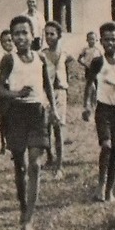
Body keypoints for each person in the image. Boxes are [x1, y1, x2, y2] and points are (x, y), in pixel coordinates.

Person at [0, 17, 55, 230]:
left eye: (24, 33)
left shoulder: (40, 58)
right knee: (20, 167)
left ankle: (29, 220)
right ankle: (23, 206)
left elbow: (48, 85)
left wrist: (55, 112)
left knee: (35, 166)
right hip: (16, 115)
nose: (20, 37)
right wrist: (16, 94)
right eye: (16, 34)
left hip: (38, 114)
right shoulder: (9, 60)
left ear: (32, 35)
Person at [81, 21, 115, 202]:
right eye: (106, 40)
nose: (110, 43)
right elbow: (89, 85)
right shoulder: (98, 62)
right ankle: (100, 185)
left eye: (113, 39)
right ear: (101, 42)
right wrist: (87, 106)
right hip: (103, 110)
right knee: (107, 146)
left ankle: (109, 191)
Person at [40, 20, 72, 176]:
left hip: (60, 92)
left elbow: (68, 67)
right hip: (45, 92)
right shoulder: (42, 54)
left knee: (58, 128)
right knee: (45, 127)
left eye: (52, 34)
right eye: (46, 34)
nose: (48, 37)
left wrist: (66, 83)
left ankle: (59, 166)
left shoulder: (64, 53)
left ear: (59, 35)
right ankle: (49, 156)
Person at [0, 29, 15, 153]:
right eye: (5, 41)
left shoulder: (16, 55)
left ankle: (13, 143)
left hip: (16, 89)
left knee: (15, 117)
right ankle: (3, 143)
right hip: (4, 89)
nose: (8, 43)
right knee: (4, 118)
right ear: (1, 43)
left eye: (10, 40)